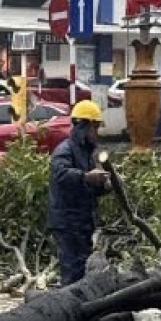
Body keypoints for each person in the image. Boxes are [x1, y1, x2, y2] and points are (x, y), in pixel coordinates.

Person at [47, 100, 111, 286]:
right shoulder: (64, 150)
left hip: (82, 221)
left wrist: (103, 186)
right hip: (67, 222)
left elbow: (86, 187)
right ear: (83, 126)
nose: (96, 133)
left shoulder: (86, 153)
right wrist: (86, 177)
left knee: (82, 267)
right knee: (72, 270)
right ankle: (69, 301)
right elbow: (61, 175)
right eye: (94, 128)